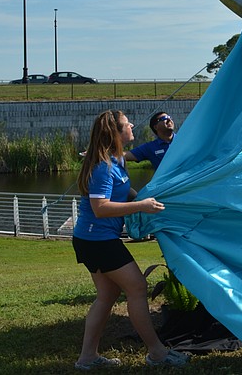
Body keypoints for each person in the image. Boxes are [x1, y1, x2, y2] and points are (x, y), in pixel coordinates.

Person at [72, 110, 189, 369]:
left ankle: (87, 357)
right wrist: (141, 206)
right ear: (116, 133)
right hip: (96, 240)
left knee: (107, 295)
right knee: (136, 288)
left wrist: (146, 199)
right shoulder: (103, 166)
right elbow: (101, 208)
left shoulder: (117, 160)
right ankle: (157, 353)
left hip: (95, 239)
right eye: (127, 124)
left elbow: (125, 193)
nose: (132, 125)